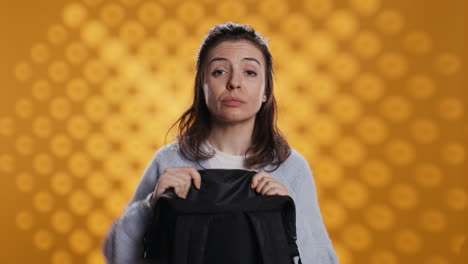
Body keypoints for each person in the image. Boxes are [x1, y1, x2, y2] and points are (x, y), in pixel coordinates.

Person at [102, 22, 339, 264]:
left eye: (250, 72)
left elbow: (324, 259)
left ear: (265, 90)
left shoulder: (290, 168)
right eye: (219, 72)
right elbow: (115, 253)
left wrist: (289, 214)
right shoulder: (169, 161)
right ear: (202, 87)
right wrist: (151, 204)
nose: (234, 83)